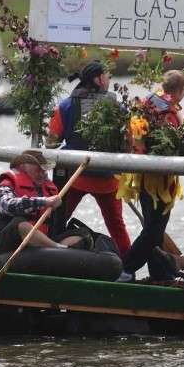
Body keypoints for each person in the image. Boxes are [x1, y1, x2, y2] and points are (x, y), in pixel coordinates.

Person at [46, 60, 132, 256]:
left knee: (56, 220)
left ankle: (48, 254)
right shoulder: (118, 107)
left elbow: (51, 142)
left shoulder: (65, 105)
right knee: (117, 226)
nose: (109, 81)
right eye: (109, 77)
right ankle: (128, 268)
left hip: (75, 177)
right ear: (100, 78)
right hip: (107, 180)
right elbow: (129, 142)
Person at [117, 70, 184, 282]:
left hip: (142, 175)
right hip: (159, 179)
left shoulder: (147, 101)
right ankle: (124, 269)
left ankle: (160, 274)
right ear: (181, 90)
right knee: (153, 231)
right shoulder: (168, 113)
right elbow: (172, 144)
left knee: (154, 228)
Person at [0, 150, 88, 257]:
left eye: (43, 170)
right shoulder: (7, 183)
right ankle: (59, 249)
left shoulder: (48, 188)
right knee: (21, 224)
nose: (41, 174)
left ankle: (58, 250)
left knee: (82, 234)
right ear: (23, 167)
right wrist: (44, 201)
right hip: (6, 243)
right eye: (37, 170)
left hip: (40, 244)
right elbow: (8, 205)